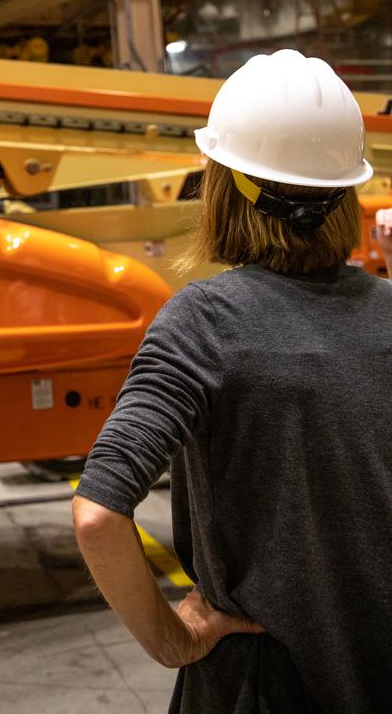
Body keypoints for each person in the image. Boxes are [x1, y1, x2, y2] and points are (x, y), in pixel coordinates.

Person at [72, 49, 392, 713]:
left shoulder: (203, 322)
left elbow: (98, 515)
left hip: (261, 687)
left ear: (224, 185)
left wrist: (169, 641)